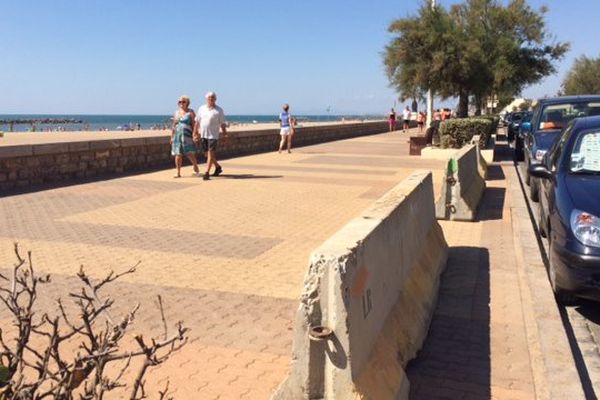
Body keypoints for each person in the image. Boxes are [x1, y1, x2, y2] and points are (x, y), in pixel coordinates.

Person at [193, 91, 227, 180]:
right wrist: (194, 133)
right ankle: (218, 167)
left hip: (213, 135)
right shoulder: (201, 108)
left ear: (215, 99)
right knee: (207, 155)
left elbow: (222, 124)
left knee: (210, 153)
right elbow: (197, 122)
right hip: (203, 135)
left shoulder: (219, 110)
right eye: (209, 98)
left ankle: (207, 173)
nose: (211, 99)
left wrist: (225, 134)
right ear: (206, 99)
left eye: (212, 97)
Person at [171, 95, 200, 178]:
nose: (181, 103)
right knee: (178, 154)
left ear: (187, 103)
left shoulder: (190, 112)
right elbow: (174, 125)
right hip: (177, 135)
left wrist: (195, 135)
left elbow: (194, 125)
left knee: (189, 153)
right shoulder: (176, 112)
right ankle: (178, 172)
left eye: (183, 101)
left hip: (187, 135)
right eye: (179, 102)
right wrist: (172, 136)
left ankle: (195, 166)